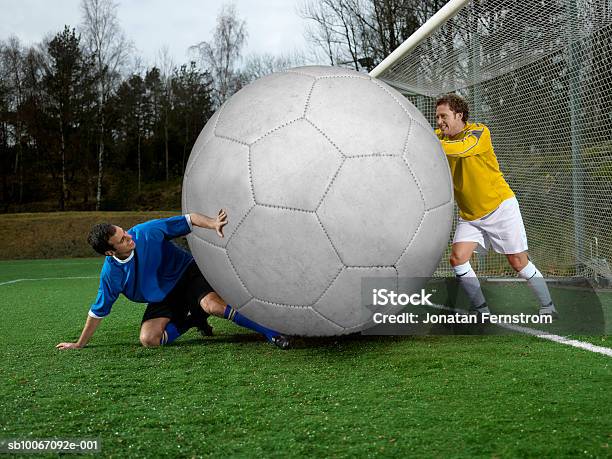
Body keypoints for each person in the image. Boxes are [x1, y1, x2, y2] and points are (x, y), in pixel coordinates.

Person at [56, 211, 290, 350]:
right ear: (110, 252)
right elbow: (98, 311)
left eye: (124, 231)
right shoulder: (112, 275)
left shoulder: (146, 232)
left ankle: (270, 332)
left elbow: (188, 220)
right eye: (121, 239)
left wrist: (213, 224)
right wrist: (79, 344)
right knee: (149, 340)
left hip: (187, 274)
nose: (128, 236)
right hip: (165, 296)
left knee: (214, 306)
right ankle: (194, 319)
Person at [435, 93, 558, 317]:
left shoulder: (479, 132)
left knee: (518, 262)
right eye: (437, 117)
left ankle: (548, 306)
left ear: (459, 115)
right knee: (457, 258)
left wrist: (432, 143)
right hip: (470, 215)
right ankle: (481, 309)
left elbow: (462, 148)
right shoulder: (439, 138)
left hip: (500, 208)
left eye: (444, 116)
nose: (439, 122)